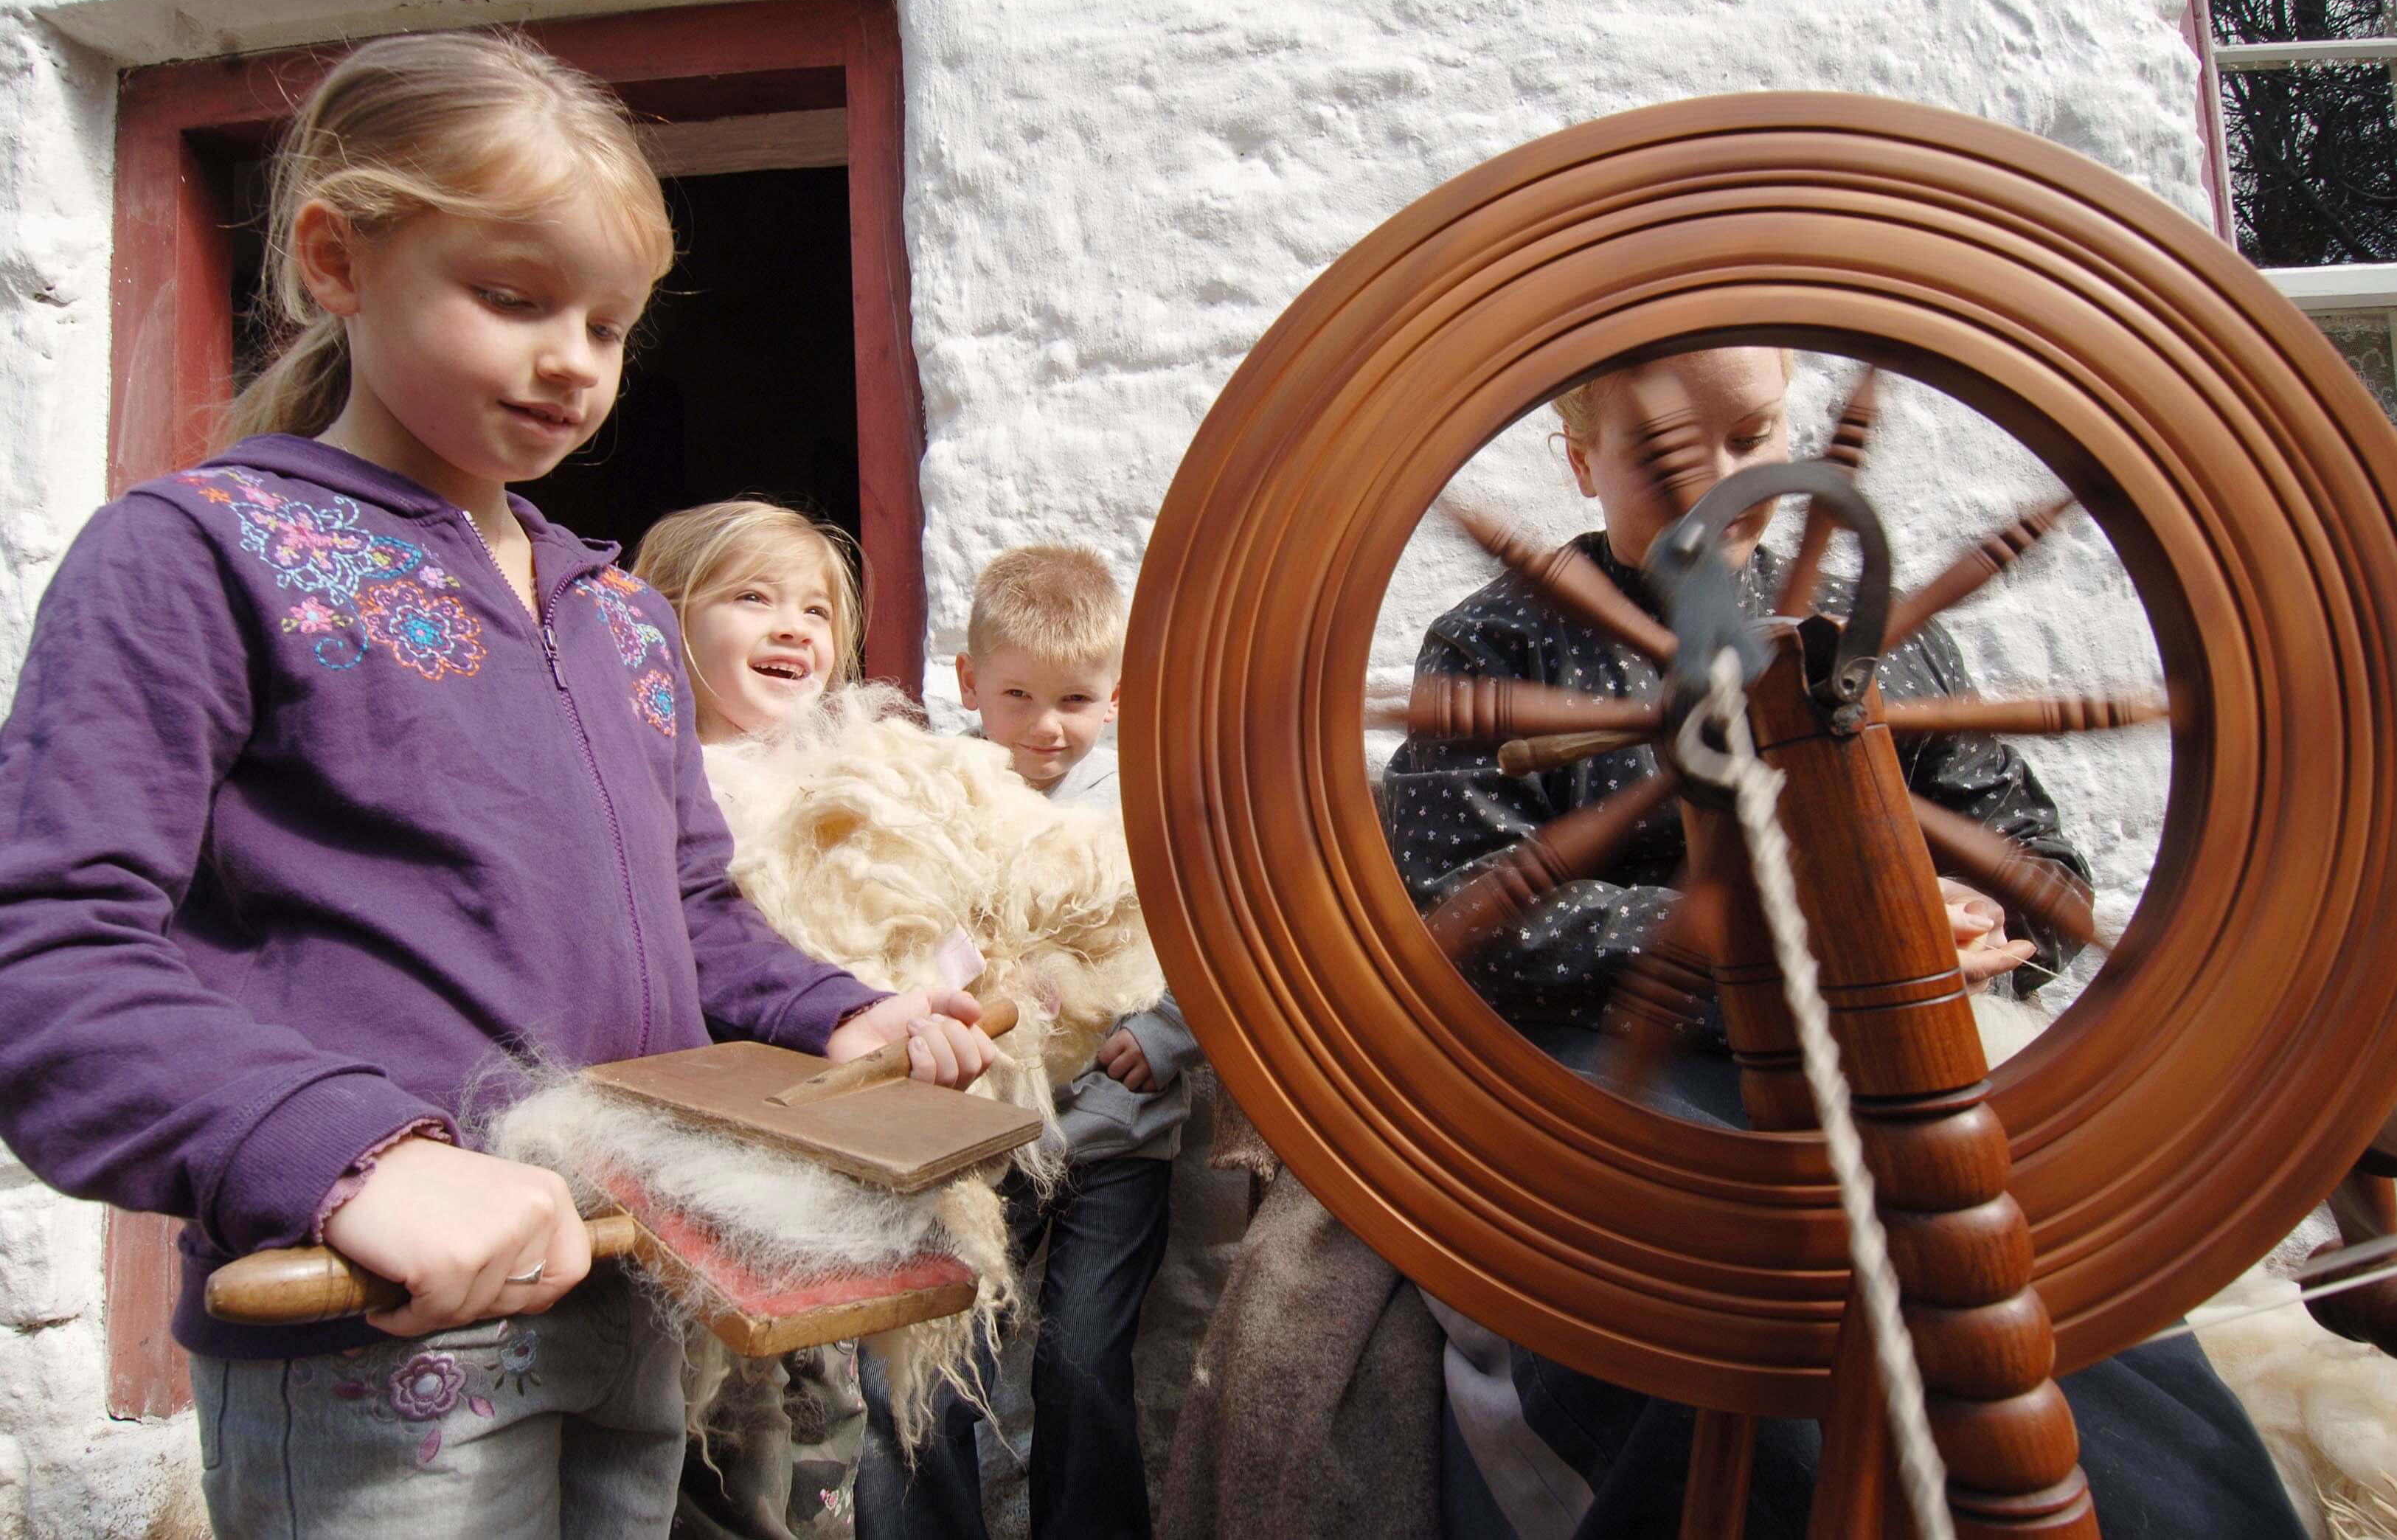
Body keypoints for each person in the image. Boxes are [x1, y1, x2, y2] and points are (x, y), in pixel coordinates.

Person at [0, 32, 995, 1540]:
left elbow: (687, 910)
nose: (572, 363)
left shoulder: (617, 618)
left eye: (608, 323)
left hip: (631, 1296)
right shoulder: (192, 556)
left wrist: (838, 1013)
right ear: (338, 257)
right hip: (382, 1333)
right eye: (515, 300)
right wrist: (346, 1165)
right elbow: (48, 952)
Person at [1376, 347, 2304, 1539]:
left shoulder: (1874, 633)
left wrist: (1959, 919)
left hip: (1895, 1061)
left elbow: (2025, 852)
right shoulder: (1499, 644)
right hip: (1625, 1072)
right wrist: (1774, 942)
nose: (1720, 475)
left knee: (2044, 1304)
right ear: (1579, 464)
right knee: (1730, 1325)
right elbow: (1464, 916)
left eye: (1753, 434)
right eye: (1663, 452)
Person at [853, 544, 1201, 1540]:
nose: (1048, 729)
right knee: (931, 1368)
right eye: (1016, 696)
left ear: (1118, 696)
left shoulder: (1148, 801)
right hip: (975, 1138)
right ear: (967, 683)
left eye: (1076, 702)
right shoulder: (936, 796)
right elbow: (898, 923)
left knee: (1083, 1362)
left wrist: (1165, 1033)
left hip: (1115, 1130)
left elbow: (1196, 931)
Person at [633, 497, 878, 1538]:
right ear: (667, 620)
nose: (793, 627)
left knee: (832, 1410)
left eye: (817, 609)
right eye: (753, 598)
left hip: (841, 1157)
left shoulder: (864, 780)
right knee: (722, 1424)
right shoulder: (667, 785)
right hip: (717, 1159)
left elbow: (915, 926)